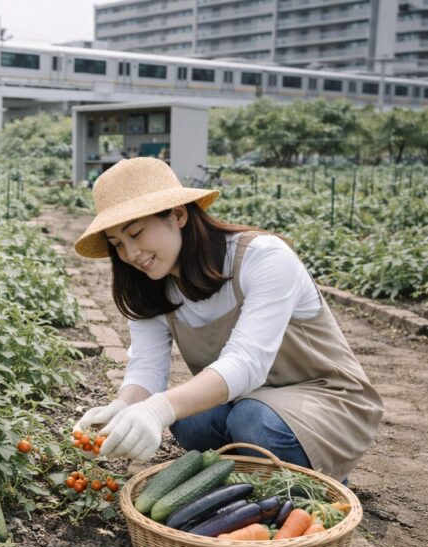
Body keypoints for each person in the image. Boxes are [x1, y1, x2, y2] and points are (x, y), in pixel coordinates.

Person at [71, 157, 382, 483]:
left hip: (326, 398)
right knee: (190, 420)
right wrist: (122, 407)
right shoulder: (153, 286)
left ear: (178, 215)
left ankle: (315, 479)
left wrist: (158, 408)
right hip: (251, 397)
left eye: (136, 233)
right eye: (117, 244)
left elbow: (246, 362)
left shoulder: (263, 257)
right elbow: (147, 368)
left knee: (251, 421)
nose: (130, 253)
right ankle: (246, 481)